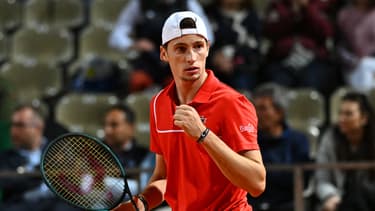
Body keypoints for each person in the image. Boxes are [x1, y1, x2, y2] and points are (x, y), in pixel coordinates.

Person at [112, 11, 266, 211]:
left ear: (208, 49)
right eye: (181, 49)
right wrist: (141, 203)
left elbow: (257, 183)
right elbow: (165, 177)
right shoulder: (159, 104)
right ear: (164, 54)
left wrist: (203, 135)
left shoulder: (232, 103)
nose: (191, 57)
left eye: (198, 47)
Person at [109, 0, 214, 92]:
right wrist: (133, 44)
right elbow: (117, 35)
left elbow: (208, 35)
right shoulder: (140, 3)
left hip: (178, 60)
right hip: (147, 60)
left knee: (185, 86)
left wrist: (186, 43)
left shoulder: (187, 3)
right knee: (137, 81)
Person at [0, 105, 80, 211]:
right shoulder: (5, 157)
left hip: (57, 205)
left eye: (20, 125)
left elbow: (72, 180)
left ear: (38, 127)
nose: (13, 131)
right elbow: (8, 181)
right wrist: (40, 172)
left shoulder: (58, 152)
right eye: (13, 125)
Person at [247, 83, 311, 211]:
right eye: (255, 108)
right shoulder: (248, 140)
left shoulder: (298, 140)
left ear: (279, 112)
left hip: (286, 205)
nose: (256, 114)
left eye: (263, 108)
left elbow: (299, 181)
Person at [314, 92, 375, 211]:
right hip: (340, 200)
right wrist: (330, 196)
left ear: (364, 118)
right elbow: (321, 179)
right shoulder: (330, 138)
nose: (341, 119)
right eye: (340, 113)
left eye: (348, 114)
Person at [103, 104, 154, 194]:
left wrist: (105, 182)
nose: (107, 130)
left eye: (114, 125)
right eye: (105, 125)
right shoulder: (96, 151)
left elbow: (144, 189)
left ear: (131, 127)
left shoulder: (144, 155)